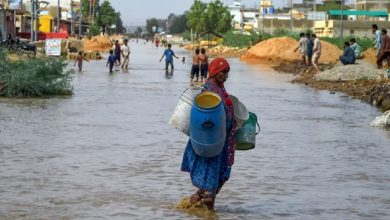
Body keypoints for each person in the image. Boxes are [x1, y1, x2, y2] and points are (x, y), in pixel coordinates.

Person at [181, 57, 236, 211]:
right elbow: (208, 117)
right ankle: (209, 214)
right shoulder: (210, 90)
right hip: (212, 143)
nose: (226, 75)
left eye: (228, 72)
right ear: (216, 72)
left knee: (217, 179)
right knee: (210, 183)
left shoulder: (220, 88)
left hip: (222, 142)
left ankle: (189, 207)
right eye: (224, 72)